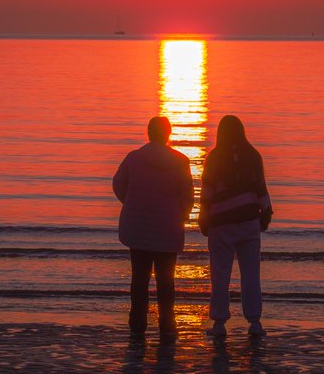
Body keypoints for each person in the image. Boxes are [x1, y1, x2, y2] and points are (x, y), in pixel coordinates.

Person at [112, 116, 194, 341]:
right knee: (166, 280)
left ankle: (137, 324)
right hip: (167, 228)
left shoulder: (134, 158)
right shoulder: (180, 161)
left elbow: (118, 185)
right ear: (168, 134)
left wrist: (131, 203)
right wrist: (181, 214)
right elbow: (188, 196)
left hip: (138, 229)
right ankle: (167, 324)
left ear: (149, 132)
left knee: (139, 279)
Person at [199, 115, 273, 339]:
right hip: (249, 223)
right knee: (251, 274)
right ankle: (255, 322)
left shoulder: (214, 157)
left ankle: (220, 322)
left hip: (221, 224)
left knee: (220, 274)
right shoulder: (252, 156)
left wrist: (203, 219)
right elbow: (261, 190)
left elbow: (207, 193)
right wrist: (266, 215)